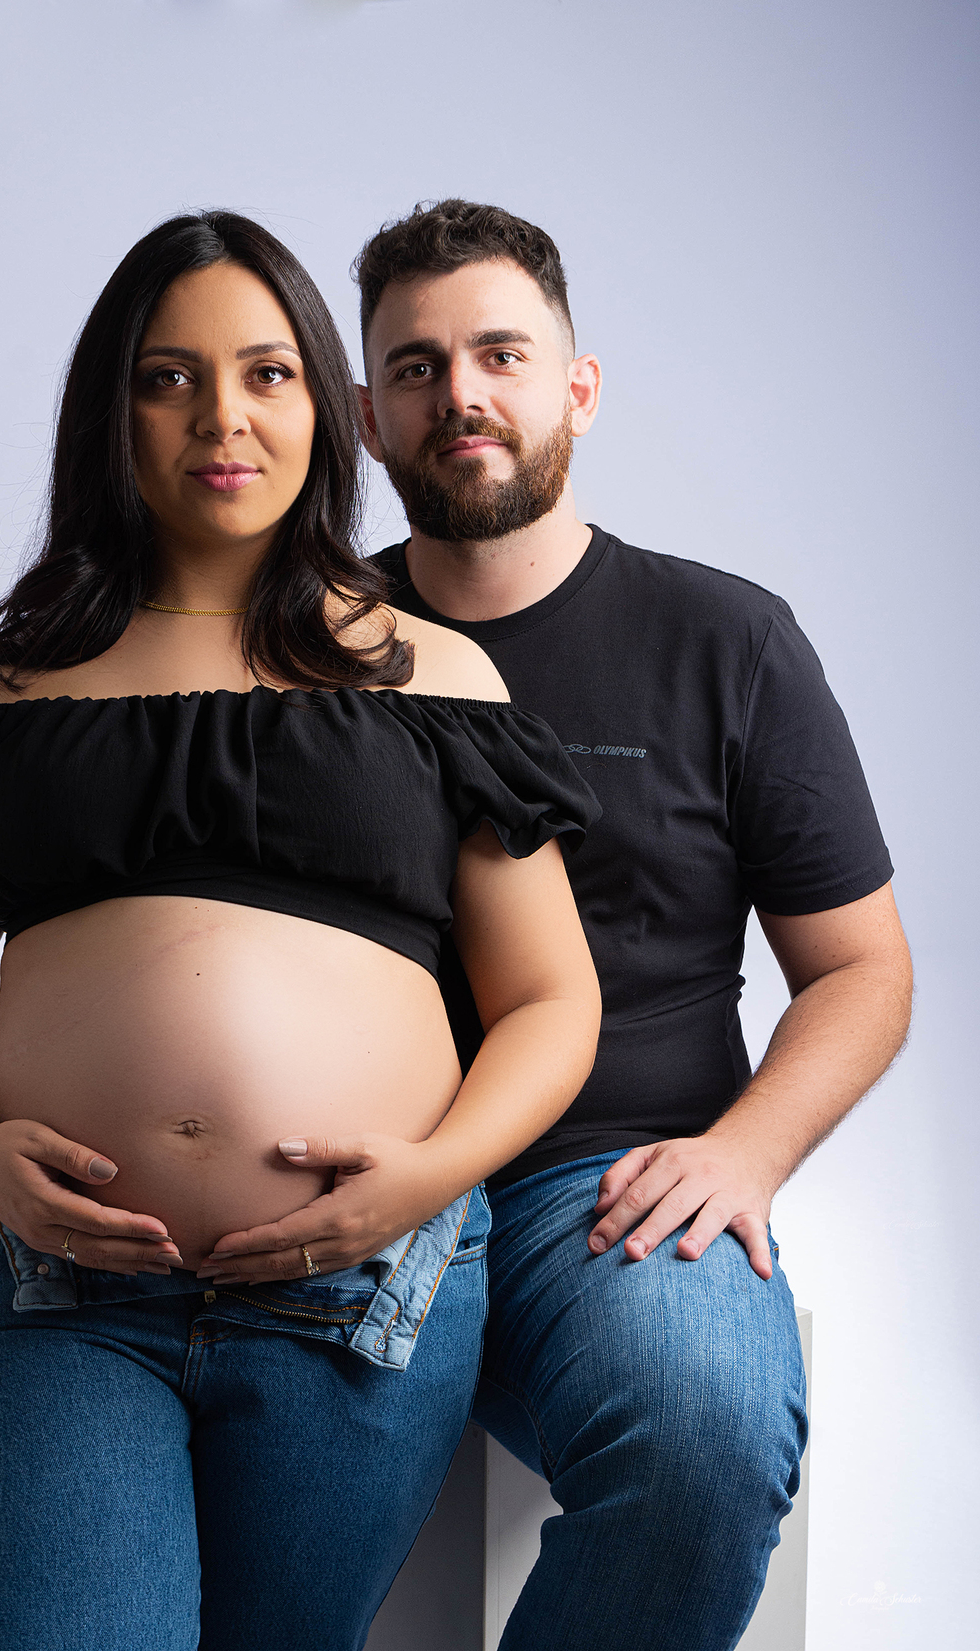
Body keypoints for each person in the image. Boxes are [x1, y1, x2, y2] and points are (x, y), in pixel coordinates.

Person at [0, 210, 603, 1651]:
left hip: (363, 1290)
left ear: (325, 404)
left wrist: (423, 1179)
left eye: (267, 373)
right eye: (168, 378)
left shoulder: (433, 678)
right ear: (110, 412)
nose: (222, 418)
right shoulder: (12, 695)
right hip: (53, 1291)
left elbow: (552, 1004)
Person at [210, 201, 914, 1651]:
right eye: (415, 368)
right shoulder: (286, 651)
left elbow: (861, 969)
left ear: (577, 389)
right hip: (331, 1177)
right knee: (73, 1526)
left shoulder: (727, 641)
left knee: (702, 1445)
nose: (460, 394)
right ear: (367, 418)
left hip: (604, 1191)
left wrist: (746, 1152)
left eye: (502, 355)